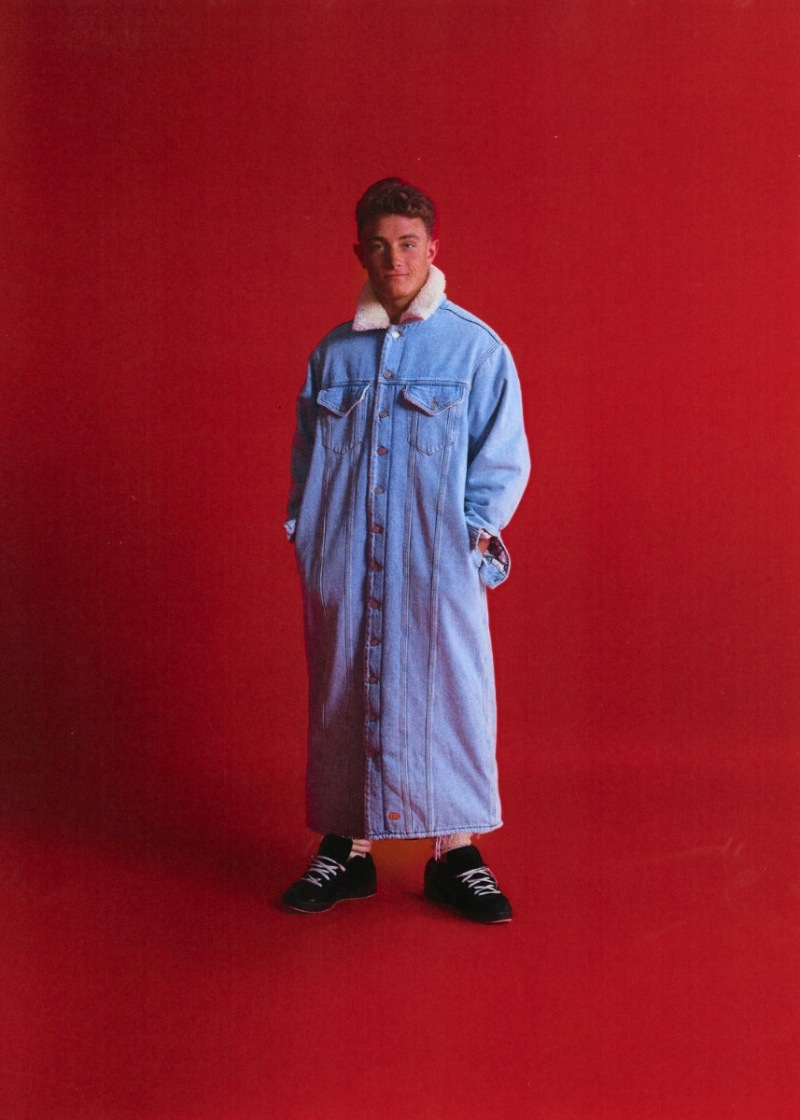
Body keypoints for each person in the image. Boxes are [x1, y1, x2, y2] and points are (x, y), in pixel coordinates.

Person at [282, 178, 530, 923]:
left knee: (448, 695)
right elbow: (306, 461)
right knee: (343, 688)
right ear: (360, 251)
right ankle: (346, 849)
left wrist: (468, 546)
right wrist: (309, 540)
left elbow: (502, 462)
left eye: (409, 244)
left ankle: (456, 853)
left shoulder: (476, 349)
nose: (395, 259)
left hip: (434, 560)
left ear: (433, 247)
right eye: (380, 246)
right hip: (344, 559)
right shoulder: (333, 356)